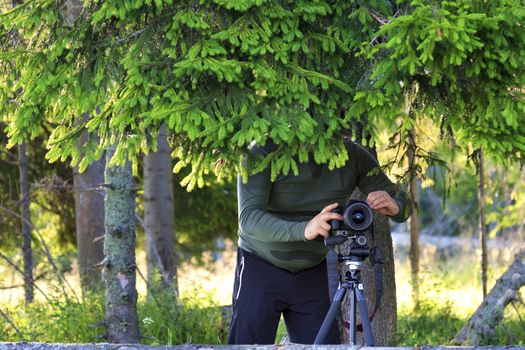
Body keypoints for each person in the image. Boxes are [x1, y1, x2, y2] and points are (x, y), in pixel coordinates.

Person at [228, 138, 412, 345]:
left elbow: (402, 203)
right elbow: (249, 220)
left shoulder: (352, 154)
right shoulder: (262, 150)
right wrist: (305, 228)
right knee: (246, 345)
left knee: (324, 346)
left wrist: (395, 206)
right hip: (260, 266)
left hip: (315, 270)